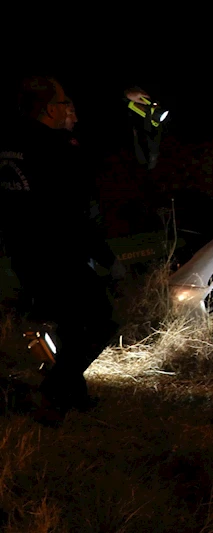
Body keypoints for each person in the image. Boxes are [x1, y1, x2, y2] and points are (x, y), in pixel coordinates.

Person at [0, 76, 126, 424]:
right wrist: (108, 259)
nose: (68, 108)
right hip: (58, 254)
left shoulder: (11, 142)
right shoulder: (57, 148)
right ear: (49, 109)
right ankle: (54, 393)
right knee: (101, 320)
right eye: (63, 102)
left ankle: (74, 396)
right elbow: (73, 213)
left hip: (23, 254)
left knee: (72, 326)